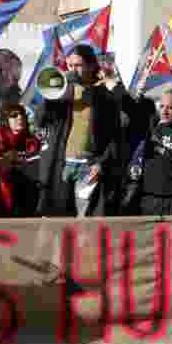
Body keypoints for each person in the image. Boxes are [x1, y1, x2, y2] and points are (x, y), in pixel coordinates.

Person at [36, 44, 126, 218]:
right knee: (60, 219)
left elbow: (115, 136)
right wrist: (51, 96)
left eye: (78, 65)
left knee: (88, 221)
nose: (72, 70)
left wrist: (101, 163)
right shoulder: (63, 93)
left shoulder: (104, 96)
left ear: (91, 66)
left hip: (89, 166)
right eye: (69, 65)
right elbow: (40, 120)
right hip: (62, 164)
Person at [0, 103, 42, 217]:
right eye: (14, 116)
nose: (20, 118)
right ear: (5, 120)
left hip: (30, 200)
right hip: (1, 202)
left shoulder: (34, 143)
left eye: (22, 114)